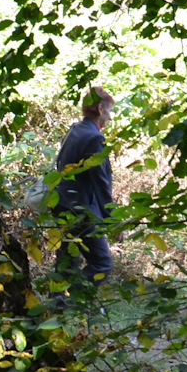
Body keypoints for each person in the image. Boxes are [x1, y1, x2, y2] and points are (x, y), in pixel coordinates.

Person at [53, 84, 116, 291]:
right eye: (109, 111)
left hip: (62, 205)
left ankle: (56, 310)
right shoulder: (95, 138)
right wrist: (112, 220)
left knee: (67, 264)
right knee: (102, 264)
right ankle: (68, 302)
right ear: (100, 110)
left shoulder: (76, 130)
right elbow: (100, 182)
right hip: (80, 210)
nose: (110, 117)